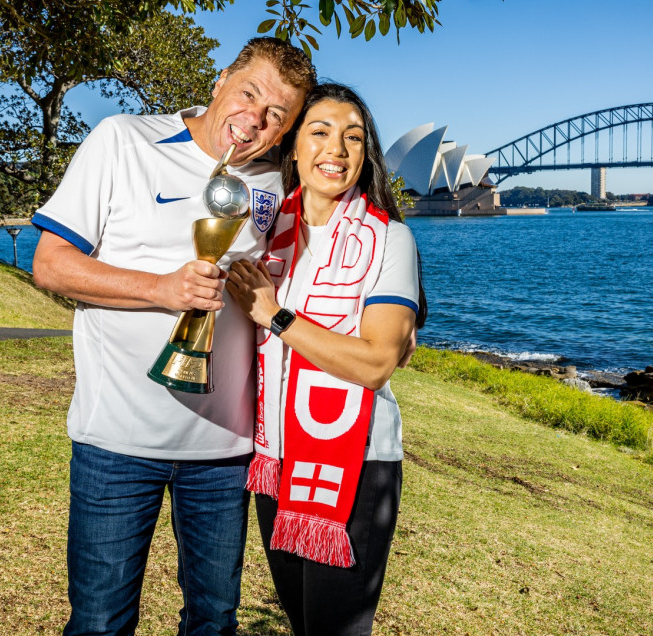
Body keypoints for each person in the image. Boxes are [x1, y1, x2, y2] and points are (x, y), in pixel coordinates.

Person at [30, 38, 315, 635]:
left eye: (276, 116)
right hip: (115, 440)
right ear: (219, 82)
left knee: (213, 622)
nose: (255, 119)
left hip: (223, 452)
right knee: (101, 622)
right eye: (249, 94)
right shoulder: (122, 139)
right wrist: (161, 289)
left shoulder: (281, 179)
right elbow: (51, 265)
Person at [226, 83, 427, 636]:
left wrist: (277, 316)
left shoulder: (390, 239)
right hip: (273, 459)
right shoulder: (261, 232)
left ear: (366, 156)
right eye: (319, 132)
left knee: (335, 630)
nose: (335, 148)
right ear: (292, 147)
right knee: (300, 622)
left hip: (356, 463)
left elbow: (375, 363)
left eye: (353, 137)